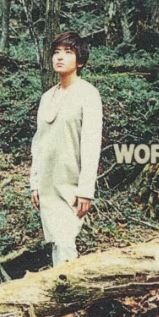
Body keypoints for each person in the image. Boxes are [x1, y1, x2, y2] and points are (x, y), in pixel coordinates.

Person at [30, 32, 103, 266]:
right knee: (57, 243)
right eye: (57, 52)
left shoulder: (88, 94)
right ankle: (62, 283)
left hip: (70, 184)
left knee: (65, 242)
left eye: (68, 52)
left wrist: (86, 190)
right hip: (47, 184)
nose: (60, 57)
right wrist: (34, 182)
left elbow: (92, 143)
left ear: (80, 60)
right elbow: (38, 143)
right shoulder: (46, 97)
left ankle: (69, 286)